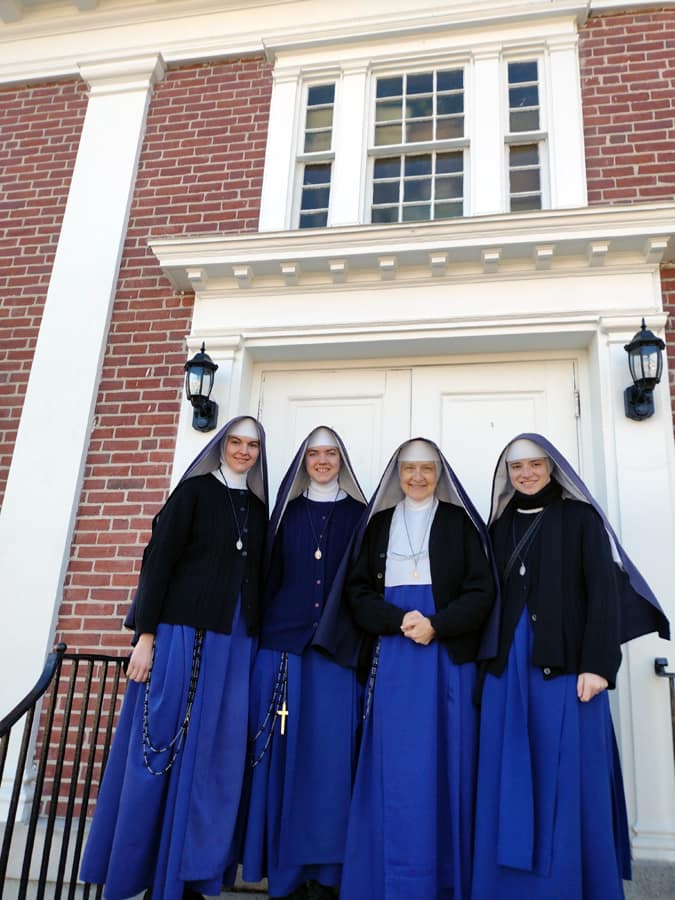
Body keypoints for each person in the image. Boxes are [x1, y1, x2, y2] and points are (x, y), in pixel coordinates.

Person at [471, 434, 670, 900]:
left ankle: (569, 887)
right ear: (507, 474)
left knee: (564, 781)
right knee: (507, 778)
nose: (526, 474)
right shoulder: (499, 525)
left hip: (566, 669)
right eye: (516, 467)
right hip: (506, 671)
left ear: (552, 468)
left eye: (535, 465)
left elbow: (603, 594)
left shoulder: (581, 519)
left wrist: (598, 666)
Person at [80, 416, 268, 900]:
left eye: (252, 445)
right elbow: (157, 563)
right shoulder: (194, 493)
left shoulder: (258, 508)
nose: (243, 451)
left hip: (235, 645)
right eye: (235, 442)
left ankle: (190, 876)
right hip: (183, 637)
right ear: (221, 445)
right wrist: (145, 637)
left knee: (214, 761)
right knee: (165, 749)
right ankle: (146, 873)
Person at [339, 438, 496, 900]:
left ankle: (444, 881)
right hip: (393, 656)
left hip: (445, 658)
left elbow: (481, 592)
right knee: (394, 766)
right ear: (398, 474)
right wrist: (397, 621)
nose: (418, 477)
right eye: (409, 469)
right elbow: (357, 592)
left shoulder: (460, 524)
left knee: (447, 762)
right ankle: (384, 881)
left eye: (427, 468)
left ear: (439, 473)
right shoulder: (379, 524)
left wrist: (437, 625)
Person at [241, 427, 367, 900]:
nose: (322, 461)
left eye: (331, 453)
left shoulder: (360, 515)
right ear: (303, 461)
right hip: (283, 652)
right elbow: (265, 581)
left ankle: (328, 877)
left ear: (342, 460)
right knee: (284, 765)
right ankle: (287, 877)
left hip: (336, 655)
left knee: (332, 766)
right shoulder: (286, 514)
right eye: (314, 454)